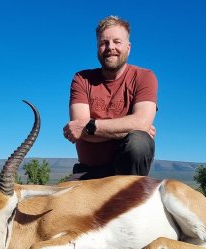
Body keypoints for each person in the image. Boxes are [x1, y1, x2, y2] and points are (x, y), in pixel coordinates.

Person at [63, 15, 158, 180]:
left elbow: (84, 128)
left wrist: (90, 127)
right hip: (88, 171)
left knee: (139, 142)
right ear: (97, 47)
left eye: (117, 42)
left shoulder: (145, 77)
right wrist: (130, 128)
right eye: (103, 43)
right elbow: (79, 131)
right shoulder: (82, 79)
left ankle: (130, 195)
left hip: (127, 172)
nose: (110, 47)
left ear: (128, 47)